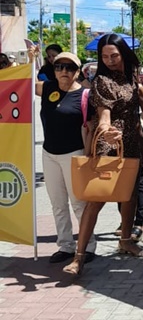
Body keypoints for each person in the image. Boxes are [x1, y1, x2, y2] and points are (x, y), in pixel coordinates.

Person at [63, 34, 143, 277]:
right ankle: (78, 257)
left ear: (123, 54)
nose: (110, 60)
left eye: (114, 55)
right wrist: (106, 129)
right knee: (96, 200)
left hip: (132, 143)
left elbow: (142, 100)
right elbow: (104, 114)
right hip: (109, 144)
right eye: (104, 57)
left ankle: (125, 240)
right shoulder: (101, 80)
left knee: (130, 195)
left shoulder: (133, 76)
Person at [35, 52, 97, 264]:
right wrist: (29, 60)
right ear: (54, 70)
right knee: (57, 203)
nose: (64, 71)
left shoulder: (85, 95)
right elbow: (25, 82)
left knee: (78, 203)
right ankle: (66, 245)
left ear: (78, 72)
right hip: (49, 154)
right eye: (60, 67)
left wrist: (88, 155)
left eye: (70, 68)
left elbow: (92, 127)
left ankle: (87, 246)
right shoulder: (48, 88)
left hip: (74, 154)